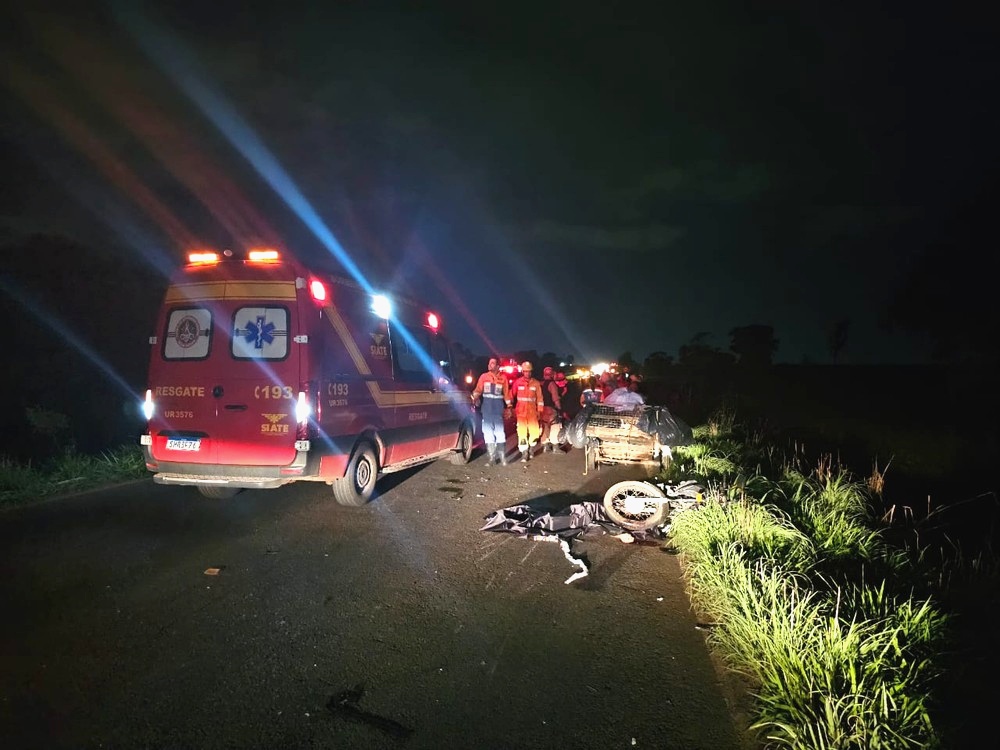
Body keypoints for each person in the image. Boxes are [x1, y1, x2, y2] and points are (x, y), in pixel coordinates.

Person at [471, 356, 513, 465]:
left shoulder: (503, 378)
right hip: (486, 410)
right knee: (488, 433)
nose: (490, 365)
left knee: (500, 433)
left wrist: (509, 407)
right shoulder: (484, 377)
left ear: (498, 366)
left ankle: (502, 457)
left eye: (493, 363)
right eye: (489, 363)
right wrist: (475, 398)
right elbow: (478, 390)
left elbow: (506, 394)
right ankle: (491, 458)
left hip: (498, 410)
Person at [512, 361, 543, 462]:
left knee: (534, 433)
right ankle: (524, 453)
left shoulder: (536, 383)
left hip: (532, 412)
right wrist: (509, 406)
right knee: (522, 433)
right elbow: (511, 394)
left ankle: (531, 449)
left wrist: (540, 411)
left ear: (531, 372)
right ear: (523, 372)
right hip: (521, 413)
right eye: (525, 371)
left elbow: (540, 399)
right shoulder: (517, 382)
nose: (527, 373)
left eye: (529, 371)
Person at [538, 366, 563, 452]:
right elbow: (555, 398)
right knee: (555, 426)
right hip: (550, 409)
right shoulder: (552, 384)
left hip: (541, 409)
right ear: (552, 374)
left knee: (545, 426)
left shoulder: (540, 383)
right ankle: (555, 447)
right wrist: (559, 409)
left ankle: (545, 446)